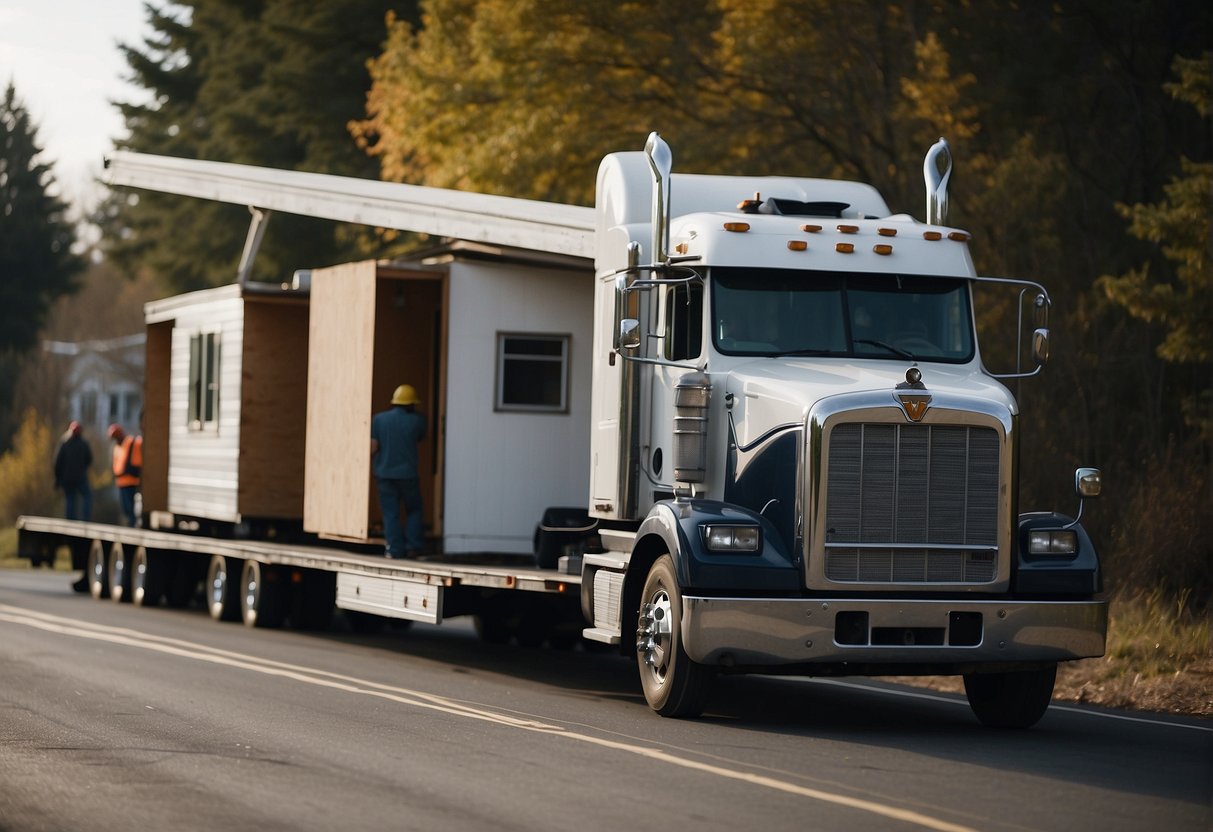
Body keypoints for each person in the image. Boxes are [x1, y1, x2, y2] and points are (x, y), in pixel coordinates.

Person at [370, 384, 426, 558]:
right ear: (411, 404)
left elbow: (373, 447)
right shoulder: (418, 421)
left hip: (385, 474)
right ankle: (413, 547)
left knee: (390, 513)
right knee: (414, 509)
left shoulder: (379, 419)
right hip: (408, 474)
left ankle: (394, 550)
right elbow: (421, 437)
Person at [54, 421, 93, 522]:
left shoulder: (64, 442)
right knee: (87, 496)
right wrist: (83, 469)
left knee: (70, 499)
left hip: (67, 478)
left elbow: (57, 462)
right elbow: (89, 459)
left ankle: (70, 521)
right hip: (80, 477)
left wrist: (57, 479)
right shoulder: (83, 443)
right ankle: (86, 519)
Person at [108, 423, 142, 527]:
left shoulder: (131, 442)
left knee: (130, 505)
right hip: (121, 481)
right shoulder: (117, 446)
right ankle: (130, 522)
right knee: (125, 506)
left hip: (131, 480)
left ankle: (133, 523)